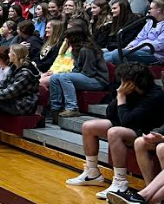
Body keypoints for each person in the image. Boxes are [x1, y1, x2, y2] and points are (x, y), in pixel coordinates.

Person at [66, 63, 164, 196]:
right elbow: (110, 113)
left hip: (146, 131)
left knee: (115, 132)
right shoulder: (130, 92)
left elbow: (127, 121)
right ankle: (92, 172)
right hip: (132, 126)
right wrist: (119, 95)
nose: (121, 83)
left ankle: (120, 182)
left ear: (134, 82)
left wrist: (122, 97)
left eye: (124, 81)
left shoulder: (155, 95)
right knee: (89, 126)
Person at [48, 28, 110, 120]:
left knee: (64, 77)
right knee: (54, 78)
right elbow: (76, 68)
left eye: (67, 38)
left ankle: (72, 108)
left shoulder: (86, 50)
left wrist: (72, 75)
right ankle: (56, 109)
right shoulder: (75, 49)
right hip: (86, 76)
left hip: (97, 80)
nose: (66, 40)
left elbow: (89, 72)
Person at [105, 0, 164, 65]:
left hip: (155, 55)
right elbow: (139, 38)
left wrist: (137, 47)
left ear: (159, 10)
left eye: (151, 8)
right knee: (104, 53)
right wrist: (131, 45)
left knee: (117, 53)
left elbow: (159, 45)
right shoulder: (150, 22)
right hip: (140, 49)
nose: (149, 11)